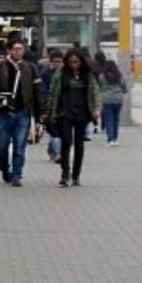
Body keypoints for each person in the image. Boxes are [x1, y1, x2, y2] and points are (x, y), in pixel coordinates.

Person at [0, 41, 43, 186]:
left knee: (20, 145)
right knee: (2, 144)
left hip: (22, 112)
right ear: (9, 50)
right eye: (16, 49)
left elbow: (38, 92)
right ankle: (4, 168)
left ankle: (17, 174)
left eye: (21, 49)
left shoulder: (30, 68)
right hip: (2, 113)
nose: (19, 52)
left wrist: (40, 113)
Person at [46, 48, 100, 187]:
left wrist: (96, 109)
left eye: (76, 62)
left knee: (79, 145)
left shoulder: (87, 75)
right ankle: (65, 173)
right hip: (65, 113)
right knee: (66, 142)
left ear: (81, 62)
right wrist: (50, 111)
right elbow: (53, 92)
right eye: (70, 62)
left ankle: (76, 175)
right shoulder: (61, 73)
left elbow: (95, 93)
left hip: (82, 113)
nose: (73, 65)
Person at [96, 52, 127, 146]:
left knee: (109, 119)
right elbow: (124, 88)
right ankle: (115, 138)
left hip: (106, 99)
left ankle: (110, 139)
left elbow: (99, 88)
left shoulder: (101, 77)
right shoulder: (119, 76)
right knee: (116, 119)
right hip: (118, 99)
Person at [38, 50, 63, 163]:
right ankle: (57, 153)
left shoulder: (66, 74)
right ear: (50, 62)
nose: (57, 64)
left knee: (60, 132)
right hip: (50, 107)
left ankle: (54, 150)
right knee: (54, 131)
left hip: (64, 107)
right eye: (55, 61)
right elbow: (42, 91)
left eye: (60, 61)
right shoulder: (45, 74)